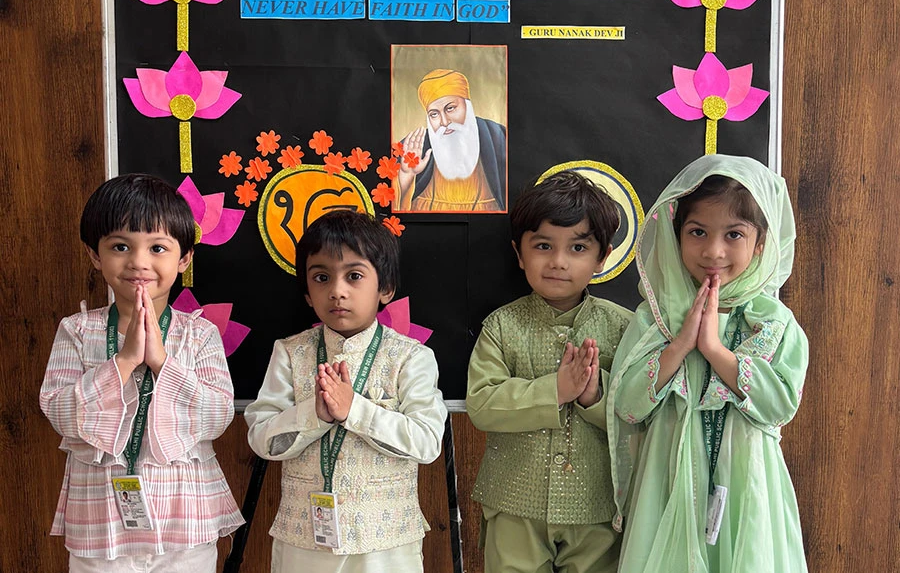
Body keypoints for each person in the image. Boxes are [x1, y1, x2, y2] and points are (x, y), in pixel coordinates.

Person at [607, 155, 809, 572]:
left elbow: (779, 405)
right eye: (697, 232)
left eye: (734, 234)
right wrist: (681, 344)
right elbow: (626, 404)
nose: (713, 251)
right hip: (666, 485)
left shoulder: (772, 321)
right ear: (676, 235)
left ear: (760, 243)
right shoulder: (656, 317)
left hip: (746, 485)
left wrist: (715, 349)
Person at [39, 174, 244, 572]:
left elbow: (217, 417)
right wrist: (124, 361)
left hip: (185, 524)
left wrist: (162, 362)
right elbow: (59, 413)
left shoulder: (199, 334)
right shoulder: (77, 330)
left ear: (184, 259)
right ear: (95, 255)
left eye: (157, 247)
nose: (138, 261)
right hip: (100, 527)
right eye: (120, 246)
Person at [245, 210, 447, 572]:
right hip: (304, 539)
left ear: (385, 288)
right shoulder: (290, 353)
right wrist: (314, 415)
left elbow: (428, 442)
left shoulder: (412, 357)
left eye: (354, 276)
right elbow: (262, 439)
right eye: (321, 277)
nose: (337, 291)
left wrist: (355, 410)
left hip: (386, 544)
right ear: (307, 293)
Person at [466, 170, 632, 573]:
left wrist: (595, 395)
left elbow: (638, 413)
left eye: (578, 247)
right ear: (520, 254)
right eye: (543, 246)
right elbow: (482, 404)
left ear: (603, 257)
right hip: (513, 502)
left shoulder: (624, 328)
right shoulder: (501, 326)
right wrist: (554, 391)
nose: (558, 261)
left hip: (597, 506)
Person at [392, 68, 507, 212]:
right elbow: (395, 209)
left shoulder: (499, 138)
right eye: (434, 114)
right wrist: (407, 176)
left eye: (451, 108)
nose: (444, 122)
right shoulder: (412, 149)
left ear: (467, 106)